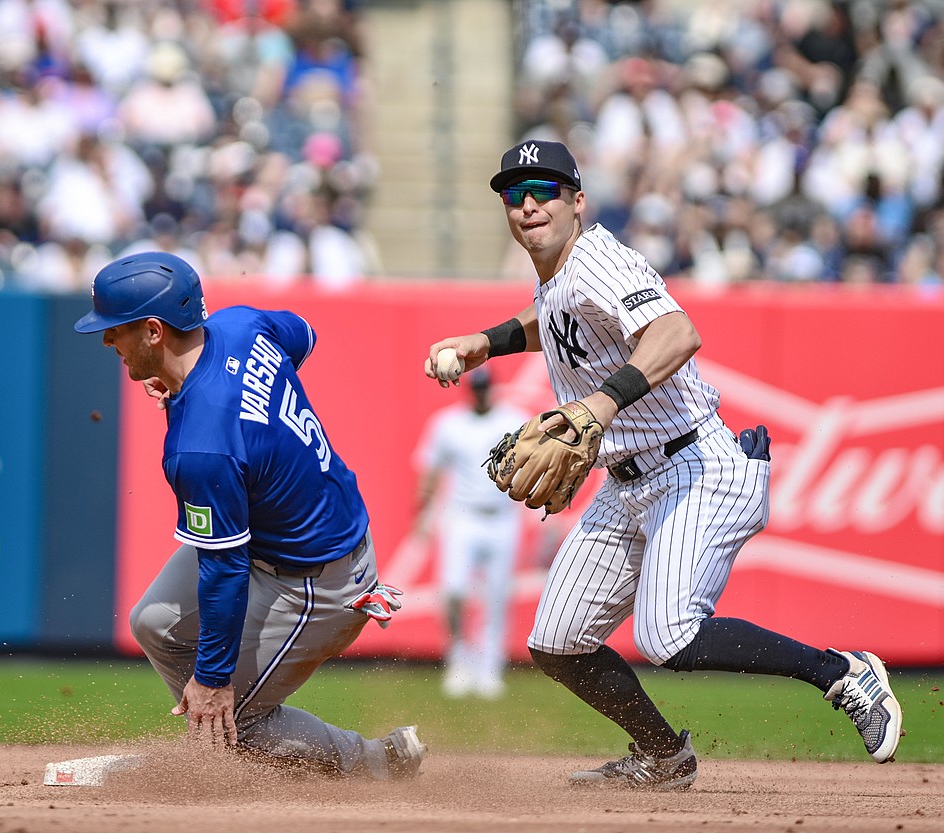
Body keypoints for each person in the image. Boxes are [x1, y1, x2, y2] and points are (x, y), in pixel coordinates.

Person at [423, 140, 902, 790]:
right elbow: (554, 316)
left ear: (578, 201)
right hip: (627, 485)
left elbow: (678, 333)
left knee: (667, 634)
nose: (530, 203)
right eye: (515, 193)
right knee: (556, 641)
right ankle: (662, 755)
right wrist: (488, 341)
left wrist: (599, 402)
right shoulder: (562, 274)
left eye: (545, 190)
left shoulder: (598, 258)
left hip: (694, 465)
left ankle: (843, 671)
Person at [76, 251, 425, 779]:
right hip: (290, 542)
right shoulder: (240, 324)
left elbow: (224, 570)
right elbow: (302, 335)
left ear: (153, 331)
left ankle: (377, 762)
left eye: (115, 329)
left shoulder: (202, 446)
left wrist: (214, 681)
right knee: (152, 623)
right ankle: (226, 745)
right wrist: (224, 394)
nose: (107, 340)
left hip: (317, 582)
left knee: (233, 709)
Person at [412, 367, 527, 699]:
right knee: (453, 591)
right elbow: (431, 468)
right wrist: (421, 513)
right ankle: (459, 658)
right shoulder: (449, 423)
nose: (480, 393)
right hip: (461, 515)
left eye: (485, 387)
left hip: (503, 516)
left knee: (496, 596)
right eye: (476, 388)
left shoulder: (513, 420)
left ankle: (490, 668)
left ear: (493, 387)